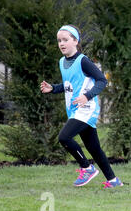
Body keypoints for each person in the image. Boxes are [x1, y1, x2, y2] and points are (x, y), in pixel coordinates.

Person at [40, 25, 123, 189]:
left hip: (87, 109)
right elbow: (69, 85)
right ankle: (113, 181)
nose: (62, 43)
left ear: (75, 41)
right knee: (94, 148)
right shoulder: (62, 62)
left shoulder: (83, 61)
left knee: (64, 137)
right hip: (74, 110)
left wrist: (87, 96)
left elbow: (102, 80)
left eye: (65, 40)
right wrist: (53, 88)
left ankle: (87, 168)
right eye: (59, 40)